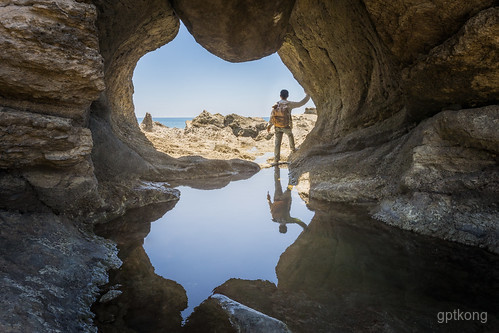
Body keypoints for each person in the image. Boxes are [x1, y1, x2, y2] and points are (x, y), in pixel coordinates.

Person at [267, 89, 310, 164]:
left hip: (277, 126)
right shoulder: (289, 103)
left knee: (277, 142)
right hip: (286, 126)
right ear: (287, 96)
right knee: (290, 135)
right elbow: (301, 103)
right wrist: (308, 95)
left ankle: (276, 159)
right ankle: (293, 149)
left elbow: (272, 115)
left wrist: (269, 125)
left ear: (280, 96)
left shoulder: (276, 104)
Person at [267, 166, 308, 234]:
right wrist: (268, 200)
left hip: (282, 200)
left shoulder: (285, 220)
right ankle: (277, 168)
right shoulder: (276, 219)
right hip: (279, 199)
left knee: (287, 188)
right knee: (278, 183)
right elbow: (271, 208)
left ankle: (290, 174)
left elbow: (298, 221)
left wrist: (305, 228)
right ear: (280, 227)